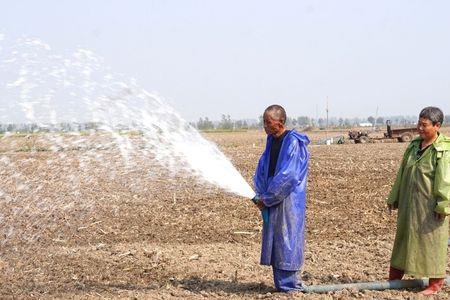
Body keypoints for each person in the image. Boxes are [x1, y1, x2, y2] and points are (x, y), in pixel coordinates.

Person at [387, 106, 450, 295]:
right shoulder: (414, 145)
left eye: (424, 125)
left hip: (429, 206)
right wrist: (395, 196)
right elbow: (402, 173)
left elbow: (445, 180)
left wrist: (443, 205)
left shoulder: (443, 150)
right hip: (409, 202)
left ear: (437, 126)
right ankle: (394, 277)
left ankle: (435, 283)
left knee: (432, 242)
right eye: (418, 124)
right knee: (403, 238)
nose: (419, 128)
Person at [253, 104, 310, 292]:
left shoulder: (293, 142)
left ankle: (291, 286)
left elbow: (289, 176)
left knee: (287, 239)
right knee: (277, 239)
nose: (265, 126)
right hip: (272, 197)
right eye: (263, 122)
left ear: (281, 122)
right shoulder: (271, 141)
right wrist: (261, 193)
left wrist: (268, 198)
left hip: (287, 201)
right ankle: (282, 285)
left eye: (268, 122)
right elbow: (263, 168)